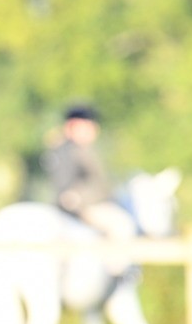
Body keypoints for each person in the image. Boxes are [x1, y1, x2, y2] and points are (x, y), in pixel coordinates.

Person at [41, 105, 136, 274]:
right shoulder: (72, 150)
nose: (91, 131)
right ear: (71, 127)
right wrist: (80, 197)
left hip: (80, 203)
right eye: (86, 126)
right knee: (122, 224)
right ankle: (119, 273)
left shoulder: (70, 149)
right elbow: (87, 184)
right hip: (84, 206)